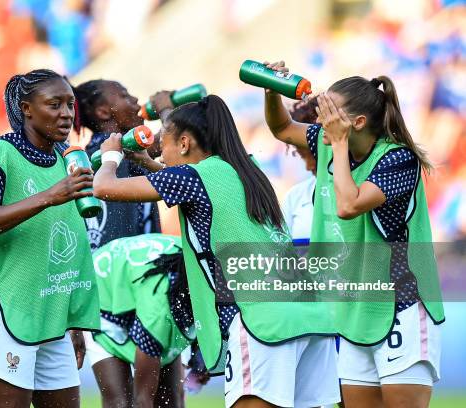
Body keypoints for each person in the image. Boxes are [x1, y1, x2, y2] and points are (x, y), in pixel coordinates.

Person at [92, 94, 340, 408]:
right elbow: (191, 184)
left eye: (164, 146)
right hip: (310, 315)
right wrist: (150, 159)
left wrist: (111, 156)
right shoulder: (244, 167)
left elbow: (104, 188)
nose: (162, 156)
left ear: (183, 143)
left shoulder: (193, 177)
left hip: (263, 320)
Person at [264, 61, 444, 408]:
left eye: (330, 111)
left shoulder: (397, 160)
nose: (319, 119)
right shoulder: (330, 142)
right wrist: (271, 90)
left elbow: (349, 204)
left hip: (400, 307)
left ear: (357, 123)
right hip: (354, 309)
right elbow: (282, 127)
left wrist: (340, 144)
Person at [0, 69, 100, 408]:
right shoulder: (1, 154)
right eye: (54, 104)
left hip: (52, 315)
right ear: (27, 109)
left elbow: (68, 248)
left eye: (70, 104)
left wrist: (74, 323)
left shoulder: (65, 158)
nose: (66, 113)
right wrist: (48, 196)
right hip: (3, 310)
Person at [84, 233, 202, 408]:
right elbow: (142, 401)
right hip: (102, 297)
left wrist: (200, 354)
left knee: (171, 401)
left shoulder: (203, 278)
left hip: (140, 287)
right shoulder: (158, 314)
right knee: (121, 402)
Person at [73, 80, 161, 250]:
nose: (135, 99)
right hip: (126, 269)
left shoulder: (128, 152)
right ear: (103, 112)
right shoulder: (107, 158)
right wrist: (166, 109)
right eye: (124, 95)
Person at [282, 96, 319, 244]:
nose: (308, 167)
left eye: (311, 156)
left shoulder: (361, 190)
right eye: (302, 156)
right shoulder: (295, 196)